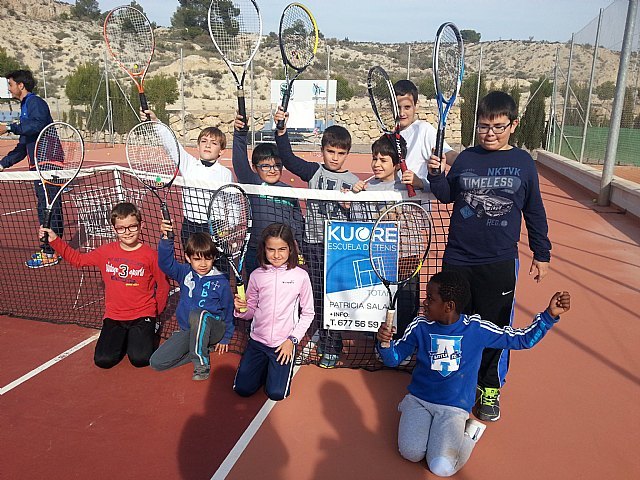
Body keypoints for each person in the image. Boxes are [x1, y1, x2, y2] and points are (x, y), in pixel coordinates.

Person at [427, 91, 553, 422]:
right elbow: (446, 197)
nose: (490, 133)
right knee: (452, 324)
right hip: (458, 259)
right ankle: (451, 382)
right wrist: (436, 175)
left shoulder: (523, 163)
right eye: (484, 126)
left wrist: (542, 252)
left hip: (498, 263)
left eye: (498, 126)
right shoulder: (466, 159)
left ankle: (489, 388)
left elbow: (534, 210)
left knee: (495, 328)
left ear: (513, 124)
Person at [377, 270, 571, 477]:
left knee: (441, 468)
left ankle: (470, 433)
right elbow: (393, 359)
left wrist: (549, 316)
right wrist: (385, 343)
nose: (425, 302)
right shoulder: (419, 326)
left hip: (453, 408)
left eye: (431, 299)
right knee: (411, 453)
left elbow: (521, 339)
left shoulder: (477, 329)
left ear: (449, 306)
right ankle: (434, 431)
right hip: (419, 401)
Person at [274, 106, 359, 368]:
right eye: (330, 151)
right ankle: (324, 336)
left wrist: (351, 207)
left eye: (340, 153)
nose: (334, 157)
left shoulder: (354, 182)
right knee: (317, 295)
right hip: (313, 243)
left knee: (335, 296)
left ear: (347, 154)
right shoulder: (313, 173)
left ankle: (333, 344)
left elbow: (360, 221)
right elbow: (287, 157)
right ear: (322, 150)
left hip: (339, 248)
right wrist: (281, 130)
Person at [39, 202, 170, 368]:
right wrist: (54, 240)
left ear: (141, 226)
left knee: (140, 359)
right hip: (115, 316)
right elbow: (78, 260)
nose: (127, 232)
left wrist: (155, 313)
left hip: (143, 314)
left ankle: (149, 328)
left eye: (132, 227)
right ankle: (127, 336)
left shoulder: (150, 255)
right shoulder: (106, 251)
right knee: (103, 360)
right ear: (114, 229)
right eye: (121, 228)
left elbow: (163, 286)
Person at [233, 223, 314, 400]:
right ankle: (262, 367)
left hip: (282, 345)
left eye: (282, 249)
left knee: (277, 393)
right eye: (271, 249)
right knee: (242, 389)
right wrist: (240, 309)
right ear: (264, 249)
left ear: (290, 249)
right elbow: (250, 311)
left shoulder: (301, 276)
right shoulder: (256, 275)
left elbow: (308, 313)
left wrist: (291, 341)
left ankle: (273, 370)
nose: (276, 255)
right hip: (257, 342)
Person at [350, 134, 421, 336]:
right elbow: (358, 222)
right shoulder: (366, 188)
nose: (376, 164)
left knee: (406, 304)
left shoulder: (410, 187)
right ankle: (380, 341)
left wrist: (419, 185)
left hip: (406, 257)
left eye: (383, 160)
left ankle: (404, 342)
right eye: (374, 158)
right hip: (378, 258)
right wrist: (356, 195)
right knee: (378, 303)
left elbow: (422, 216)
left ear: (398, 164)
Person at [150, 220, 234, 381]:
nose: (203, 264)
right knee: (157, 362)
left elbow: (228, 310)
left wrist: (225, 337)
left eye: (208, 259)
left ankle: (201, 363)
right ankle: (201, 348)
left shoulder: (221, 281)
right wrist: (167, 239)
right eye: (197, 259)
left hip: (214, 329)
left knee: (198, 314)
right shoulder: (184, 273)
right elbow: (165, 264)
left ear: (214, 258)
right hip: (189, 330)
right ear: (188, 258)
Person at [144, 110, 233, 253]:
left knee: (218, 266)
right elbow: (172, 145)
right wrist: (155, 121)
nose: (208, 145)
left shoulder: (226, 174)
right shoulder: (188, 165)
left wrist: (229, 226)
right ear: (197, 146)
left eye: (213, 143)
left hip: (216, 227)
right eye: (204, 141)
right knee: (191, 265)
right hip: (190, 226)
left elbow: (232, 202)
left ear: (221, 151)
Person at [0, 70, 60, 268]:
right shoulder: (26, 107)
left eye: (10, 84)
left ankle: (51, 252)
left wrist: (9, 127)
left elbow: (37, 126)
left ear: (20, 86)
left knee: (50, 207)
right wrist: (3, 163)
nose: (9, 89)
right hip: (37, 165)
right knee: (44, 207)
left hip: (48, 163)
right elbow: (23, 145)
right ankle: (49, 248)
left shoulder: (35, 102)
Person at [231, 114, 305, 274]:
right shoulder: (251, 182)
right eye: (265, 166)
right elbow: (239, 160)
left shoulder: (288, 191)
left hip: (283, 253)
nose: (272, 170)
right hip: (255, 251)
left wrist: (298, 243)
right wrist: (240, 134)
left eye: (277, 165)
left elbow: (297, 220)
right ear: (255, 168)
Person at [394, 79, 457, 186]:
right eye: (397, 107)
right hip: (393, 200)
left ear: (416, 105)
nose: (401, 113)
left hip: (416, 201)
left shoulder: (423, 130)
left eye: (407, 107)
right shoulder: (390, 135)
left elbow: (449, 155)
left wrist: (474, 162)